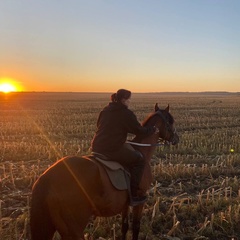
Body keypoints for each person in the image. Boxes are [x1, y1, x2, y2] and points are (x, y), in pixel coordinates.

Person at [91, 89, 157, 206]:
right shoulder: (125, 113)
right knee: (139, 160)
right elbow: (138, 131)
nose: (130, 101)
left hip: (96, 146)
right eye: (129, 99)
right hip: (112, 148)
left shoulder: (105, 110)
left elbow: (99, 125)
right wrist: (152, 130)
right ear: (123, 100)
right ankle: (134, 194)